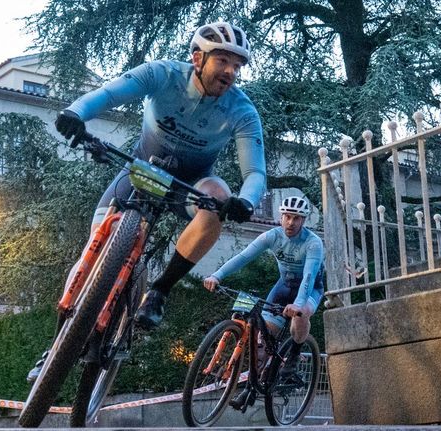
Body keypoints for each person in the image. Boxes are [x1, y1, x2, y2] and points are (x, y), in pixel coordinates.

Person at [27, 21, 266, 382]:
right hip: (140, 172)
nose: (231, 71)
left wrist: (245, 201)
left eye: (238, 65)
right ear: (198, 58)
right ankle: (58, 342)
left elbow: (256, 173)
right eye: (223, 61)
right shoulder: (162, 74)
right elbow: (109, 94)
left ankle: (159, 292)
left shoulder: (242, 110)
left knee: (218, 194)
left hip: (189, 185)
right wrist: (76, 113)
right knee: (90, 256)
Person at [203, 196, 324, 409]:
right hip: (283, 286)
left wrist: (297, 304)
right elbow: (243, 257)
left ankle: (294, 355)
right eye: (287, 216)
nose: (291, 222)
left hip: (310, 287)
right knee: (262, 344)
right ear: (281, 216)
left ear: (303, 220)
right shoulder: (272, 236)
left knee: (301, 314)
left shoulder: (313, 243)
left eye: (296, 218)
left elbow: (308, 276)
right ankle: (251, 389)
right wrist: (217, 275)